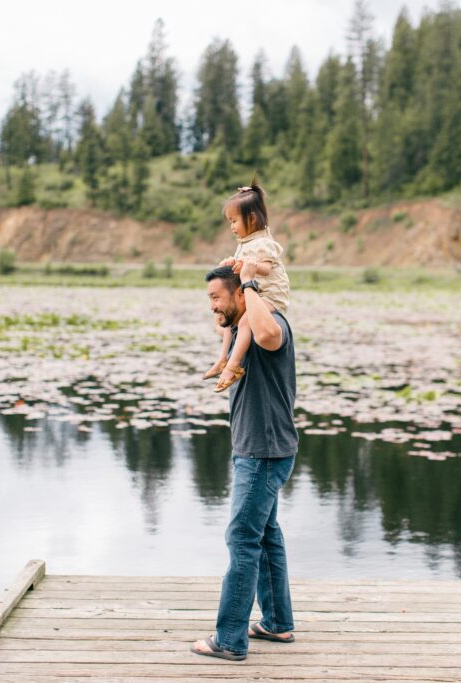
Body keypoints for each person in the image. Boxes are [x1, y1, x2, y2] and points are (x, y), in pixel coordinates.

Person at [191, 260, 298, 661]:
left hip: (263, 453)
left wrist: (251, 283)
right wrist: (227, 310)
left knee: (242, 539)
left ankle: (230, 639)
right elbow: (230, 326)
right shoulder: (243, 330)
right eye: (209, 299)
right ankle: (277, 623)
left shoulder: (271, 324)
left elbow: (268, 331)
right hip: (259, 450)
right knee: (266, 535)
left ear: (242, 294)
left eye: (217, 297)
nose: (212, 306)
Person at [202, 180, 290, 392]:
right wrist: (231, 264)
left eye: (234, 221)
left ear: (251, 219)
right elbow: (240, 269)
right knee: (232, 323)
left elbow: (266, 269)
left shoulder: (263, 243)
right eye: (230, 222)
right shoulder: (244, 244)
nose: (231, 227)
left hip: (270, 295)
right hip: (255, 293)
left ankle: (233, 364)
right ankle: (223, 358)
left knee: (243, 324)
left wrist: (250, 268)